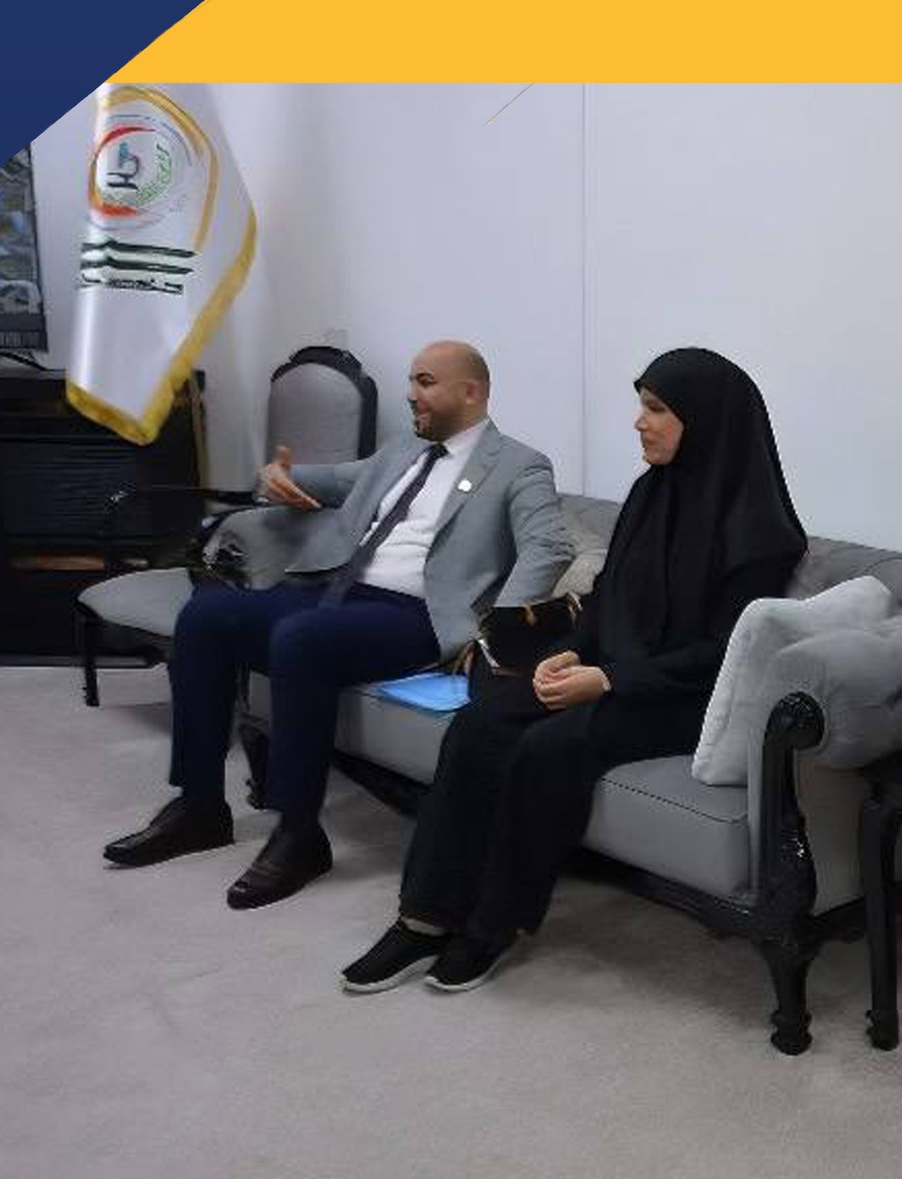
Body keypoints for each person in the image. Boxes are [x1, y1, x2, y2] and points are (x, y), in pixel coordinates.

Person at [338, 347, 808, 994]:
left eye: (657, 410)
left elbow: (723, 651)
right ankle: (424, 917)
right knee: (480, 724)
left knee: (549, 747)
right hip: (616, 672)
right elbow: (610, 596)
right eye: (641, 406)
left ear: (705, 420)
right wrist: (571, 653)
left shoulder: (761, 533)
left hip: (687, 699)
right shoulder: (649, 494)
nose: (639, 422)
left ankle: (493, 925)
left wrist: (610, 681)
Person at [103, 341, 574, 910]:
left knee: (301, 641)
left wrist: (502, 629)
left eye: (425, 382)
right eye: (411, 381)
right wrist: (274, 476)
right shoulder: (401, 452)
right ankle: (200, 806)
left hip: (414, 616)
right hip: (334, 593)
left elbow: (549, 545)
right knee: (205, 616)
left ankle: (299, 832)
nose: (410, 394)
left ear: (470, 392)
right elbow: (323, 480)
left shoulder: (520, 465)